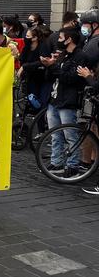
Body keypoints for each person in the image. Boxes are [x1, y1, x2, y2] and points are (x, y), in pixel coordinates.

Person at [41, 27, 89, 177]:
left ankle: (73, 164)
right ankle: (56, 162)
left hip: (68, 100)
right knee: (55, 134)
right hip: (54, 99)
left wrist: (53, 66)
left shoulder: (80, 56)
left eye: (61, 38)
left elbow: (71, 78)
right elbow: (50, 77)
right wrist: (49, 65)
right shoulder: (62, 55)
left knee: (70, 134)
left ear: (69, 40)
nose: (59, 41)